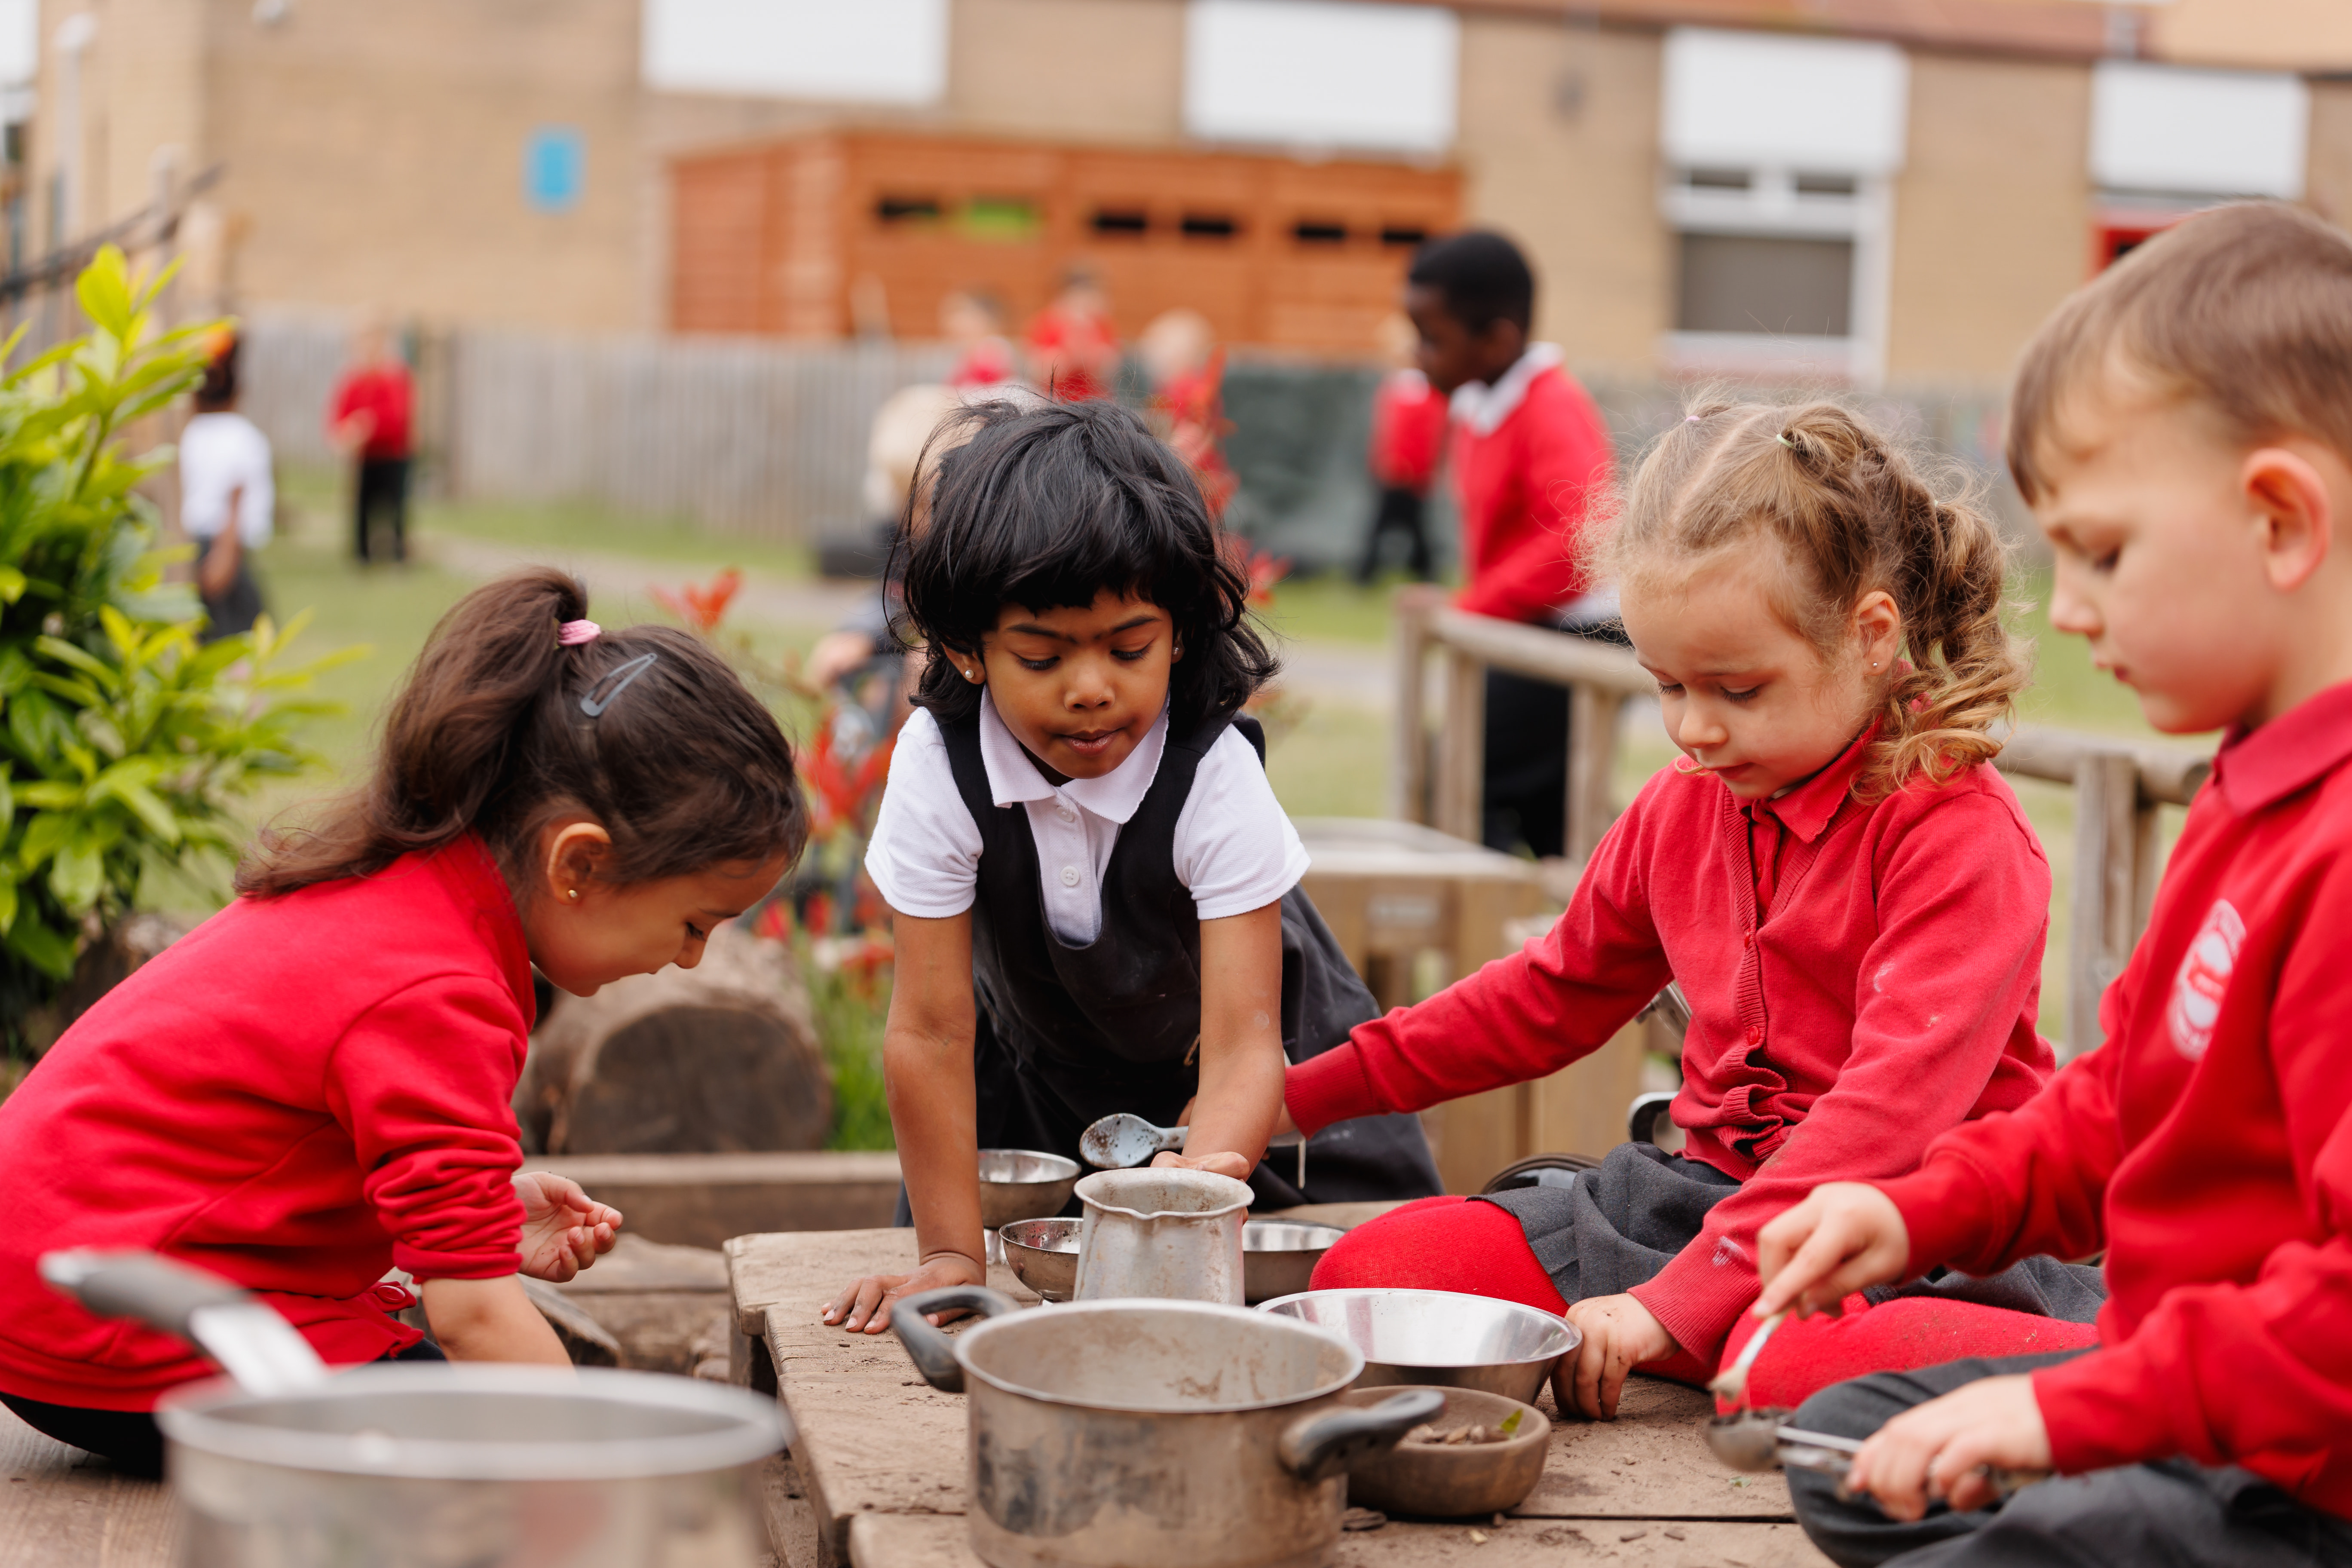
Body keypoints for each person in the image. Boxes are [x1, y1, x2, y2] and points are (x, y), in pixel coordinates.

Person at [1286, 399, 2105, 1422]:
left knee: (1787, 1362)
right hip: (1702, 1206)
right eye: (1667, 685)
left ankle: (2114, 1366)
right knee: (1373, 1275)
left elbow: (1882, 1123)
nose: (1693, 730)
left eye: (1737, 689)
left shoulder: (1960, 836)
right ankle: (1723, 1339)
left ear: (1869, 636)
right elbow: (1550, 993)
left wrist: (1668, 1307)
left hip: (1899, 1232)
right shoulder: (1684, 803)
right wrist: (1299, 1097)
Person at [1749, 203, 2352, 1568]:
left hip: (2305, 1477)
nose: (2069, 608)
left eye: (2105, 552)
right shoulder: (2250, 785)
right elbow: (2119, 1101)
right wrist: (1912, 1209)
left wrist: (2069, 1413)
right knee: (1850, 1454)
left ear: (2280, 520)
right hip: (2188, 1402)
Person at [0, 569, 806, 1476]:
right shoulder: (438, 988)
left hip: (64, 1277)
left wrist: (479, 1211)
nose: (692, 960)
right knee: (460, 1449)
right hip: (112, 1327)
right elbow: (476, 1319)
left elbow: (260, 1136)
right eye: (694, 923)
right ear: (578, 864)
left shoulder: (406, 888)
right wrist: (612, 1488)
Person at [824, 399, 1440, 1334]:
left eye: (1129, 648)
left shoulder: (1212, 770)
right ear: (965, 648)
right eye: (1042, 656)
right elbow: (932, 1034)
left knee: (1352, 1288)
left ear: (1180, 632)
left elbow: (1243, 1050)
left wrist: (1188, 1200)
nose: (1091, 688)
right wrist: (949, 1255)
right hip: (1048, 1095)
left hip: (1266, 1111)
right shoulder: (937, 765)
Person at [1404, 230, 1617, 858]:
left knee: (1462, 777)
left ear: (1496, 341)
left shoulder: (1549, 405)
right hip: (1532, 623)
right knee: (1547, 812)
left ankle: (1483, 910)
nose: (1418, 355)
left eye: (1432, 338)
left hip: (1579, 629)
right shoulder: (1481, 403)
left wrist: (1470, 606)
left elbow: (1580, 536)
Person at [177, 333, 273, 641]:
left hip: (196, 549)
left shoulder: (191, 434)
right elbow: (237, 498)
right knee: (236, 641)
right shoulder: (244, 437)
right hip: (225, 552)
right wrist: (226, 555)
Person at [1357, 312, 1447, 584]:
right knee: (1407, 525)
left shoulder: (1423, 390)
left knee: (1397, 524)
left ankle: (1368, 573)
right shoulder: (1396, 387)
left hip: (1410, 472)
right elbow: (1386, 433)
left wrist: (1414, 466)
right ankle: (1421, 570)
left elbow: (1425, 435)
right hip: (1392, 470)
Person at [328, 317, 415, 565]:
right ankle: (362, 555)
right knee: (362, 507)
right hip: (364, 456)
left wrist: (367, 425)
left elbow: (397, 418)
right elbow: (339, 415)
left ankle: (397, 554)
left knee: (395, 506)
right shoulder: (353, 380)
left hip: (393, 455)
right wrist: (345, 433)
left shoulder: (395, 377)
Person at [1023, 269, 1119, 403]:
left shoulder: (1101, 325)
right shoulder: (1047, 323)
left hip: (1094, 402)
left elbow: (1108, 373)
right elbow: (1040, 373)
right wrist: (1070, 348)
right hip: (1054, 401)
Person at [941, 289, 1019, 394]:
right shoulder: (969, 350)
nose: (951, 322)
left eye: (958, 312)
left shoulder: (992, 348)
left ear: (983, 318)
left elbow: (986, 390)